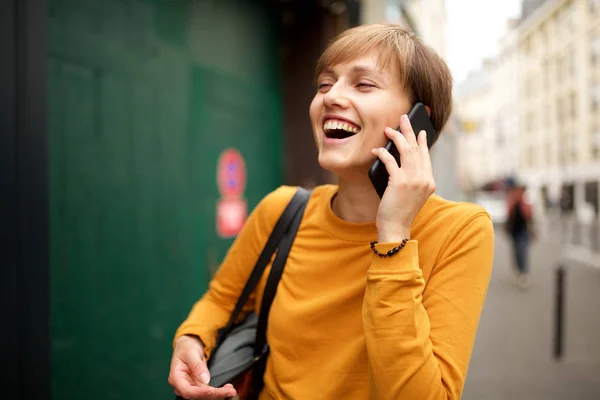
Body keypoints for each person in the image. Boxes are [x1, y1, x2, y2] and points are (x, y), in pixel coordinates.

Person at [168, 24, 494, 400]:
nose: (331, 97)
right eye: (325, 85)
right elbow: (222, 299)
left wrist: (393, 236)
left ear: (418, 120)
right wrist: (192, 338)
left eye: (363, 85)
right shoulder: (281, 210)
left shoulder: (461, 231)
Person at [505, 184, 533, 288]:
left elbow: (529, 217)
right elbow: (508, 217)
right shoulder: (512, 202)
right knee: (516, 252)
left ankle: (524, 273)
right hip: (514, 232)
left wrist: (532, 231)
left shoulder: (525, 203)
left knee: (523, 252)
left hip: (523, 232)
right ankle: (518, 270)